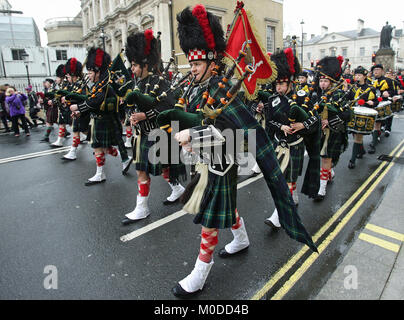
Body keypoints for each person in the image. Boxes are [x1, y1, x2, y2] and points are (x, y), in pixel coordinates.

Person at [156, 4, 317, 298]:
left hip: (222, 162)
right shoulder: (194, 86)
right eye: (191, 64)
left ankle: (200, 273)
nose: (191, 69)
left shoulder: (221, 86)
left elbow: (234, 133)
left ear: (210, 60)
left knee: (209, 216)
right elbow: (188, 114)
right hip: (203, 159)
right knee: (224, 209)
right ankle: (241, 238)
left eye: (196, 64)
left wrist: (192, 133)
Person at [120, 29, 186, 225]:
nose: (131, 68)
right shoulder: (137, 84)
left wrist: (144, 115)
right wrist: (131, 117)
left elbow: (168, 108)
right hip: (142, 136)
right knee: (142, 171)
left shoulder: (161, 82)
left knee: (165, 169)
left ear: (145, 64)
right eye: (131, 64)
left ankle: (176, 189)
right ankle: (142, 208)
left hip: (158, 135)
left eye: (134, 65)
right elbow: (131, 105)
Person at [264, 48, 320, 228]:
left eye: (282, 84)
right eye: (277, 84)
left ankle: (279, 214)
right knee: (282, 178)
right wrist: (281, 126)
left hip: (294, 145)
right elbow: (270, 122)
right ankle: (292, 198)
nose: (279, 87)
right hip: (278, 145)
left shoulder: (302, 98)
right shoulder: (273, 99)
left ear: (290, 83)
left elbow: (315, 118)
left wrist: (303, 125)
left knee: (286, 179)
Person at [69, 47, 121, 186]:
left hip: (104, 120)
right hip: (97, 119)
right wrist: (80, 111)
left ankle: (103, 171)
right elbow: (92, 100)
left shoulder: (105, 84)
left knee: (99, 146)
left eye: (91, 71)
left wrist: (79, 108)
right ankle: (101, 172)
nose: (89, 75)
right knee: (97, 146)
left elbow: (95, 101)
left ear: (98, 71)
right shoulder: (98, 84)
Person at [311, 56, 351, 201]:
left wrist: (330, 121)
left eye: (325, 81)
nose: (322, 83)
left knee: (325, 157)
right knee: (321, 157)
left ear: (332, 81)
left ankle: (321, 188)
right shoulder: (316, 94)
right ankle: (329, 173)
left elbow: (347, 114)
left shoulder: (339, 94)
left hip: (332, 132)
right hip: (319, 131)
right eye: (321, 80)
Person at [346, 66, 378, 169]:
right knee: (355, 135)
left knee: (358, 136)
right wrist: (346, 90)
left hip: (364, 114)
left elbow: (376, 101)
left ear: (364, 76)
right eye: (356, 75)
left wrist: (372, 102)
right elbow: (347, 99)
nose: (357, 77)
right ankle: (361, 150)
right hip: (353, 113)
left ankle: (352, 160)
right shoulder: (352, 87)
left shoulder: (370, 88)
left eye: (359, 75)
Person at [61, 58, 89, 159]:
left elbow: (84, 99)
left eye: (69, 75)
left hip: (84, 112)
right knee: (76, 131)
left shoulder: (82, 84)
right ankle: (72, 152)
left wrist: (78, 108)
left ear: (73, 74)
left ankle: (122, 155)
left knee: (94, 139)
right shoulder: (74, 85)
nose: (67, 77)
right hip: (77, 113)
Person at [370, 64, 396, 152]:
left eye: (378, 69)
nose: (376, 72)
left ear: (382, 71)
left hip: (382, 103)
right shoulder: (371, 81)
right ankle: (376, 136)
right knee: (373, 123)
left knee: (377, 123)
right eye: (374, 70)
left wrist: (388, 93)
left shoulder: (388, 80)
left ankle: (373, 143)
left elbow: (393, 91)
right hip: (373, 103)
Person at [40, 78, 59, 143]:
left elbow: (55, 99)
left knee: (50, 122)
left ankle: (46, 137)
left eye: (46, 82)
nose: (45, 83)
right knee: (54, 121)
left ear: (50, 83)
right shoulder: (45, 90)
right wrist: (42, 101)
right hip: (48, 108)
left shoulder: (54, 90)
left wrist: (44, 100)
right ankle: (65, 132)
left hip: (52, 107)